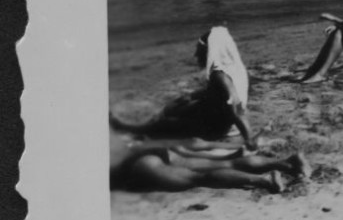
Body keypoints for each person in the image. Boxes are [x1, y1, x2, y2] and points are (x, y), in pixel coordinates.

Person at [110, 26, 258, 149]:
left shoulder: (219, 74)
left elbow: (236, 104)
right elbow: (222, 95)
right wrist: (193, 96)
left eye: (199, 48)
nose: (196, 54)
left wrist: (249, 138)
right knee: (180, 106)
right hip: (226, 124)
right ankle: (148, 126)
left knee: (163, 124)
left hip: (215, 129)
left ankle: (128, 129)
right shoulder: (237, 69)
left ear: (210, 49)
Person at [111, 129, 308, 194]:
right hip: (153, 148)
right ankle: (286, 163)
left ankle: (265, 180)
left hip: (138, 163)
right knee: (228, 164)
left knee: (198, 178)